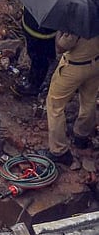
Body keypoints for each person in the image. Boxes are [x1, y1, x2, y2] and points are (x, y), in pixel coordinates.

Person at [41, 28, 99, 166]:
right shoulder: (94, 13)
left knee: (55, 105)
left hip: (74, 67)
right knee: (89, 100)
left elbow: (61, 47)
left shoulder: (77, 22)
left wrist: (60, 31)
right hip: (95, 63)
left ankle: (59, 150)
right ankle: (82, 135)